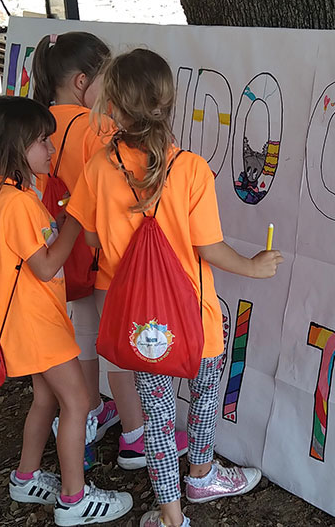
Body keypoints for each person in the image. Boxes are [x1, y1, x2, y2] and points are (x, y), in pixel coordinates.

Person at [69, 49, 284, 527]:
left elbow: (92, 240)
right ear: (167, 103)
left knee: (158, 418)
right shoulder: (190, 169)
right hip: (197, 317)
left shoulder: (99, 168)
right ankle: (202, 475)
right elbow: (209, 247)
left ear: (113, 107)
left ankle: (170, 516)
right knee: (205, 395)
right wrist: (253, 267)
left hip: (141, 326)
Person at [31, 31, 189, 469]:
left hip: (56, 247)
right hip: (99, 253)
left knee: (85, 337)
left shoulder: (38, 123)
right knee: (119, 342)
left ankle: (89, 415)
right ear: (83, 82)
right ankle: (136, 437)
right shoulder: (93, 127)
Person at [0, 94, 132, 525]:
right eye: (42, 140)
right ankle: (74, 500)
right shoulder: (18, 203)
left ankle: (25, 478)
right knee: (77, 403)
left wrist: (59, 223)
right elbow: (44, 266)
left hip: (29, 323)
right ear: (15, 145)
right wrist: (75, 220)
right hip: (39, 325)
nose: (51, 148)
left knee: (45, 399)